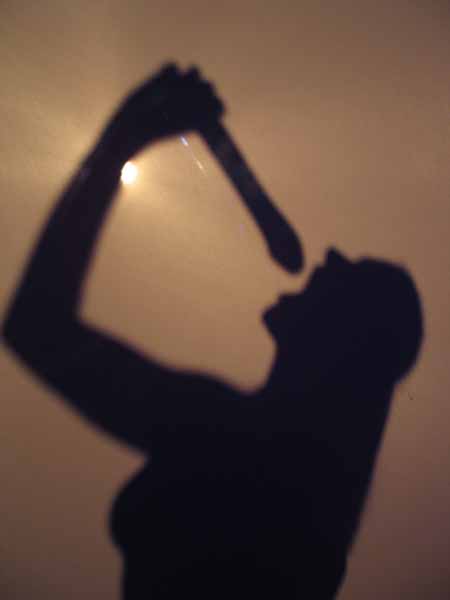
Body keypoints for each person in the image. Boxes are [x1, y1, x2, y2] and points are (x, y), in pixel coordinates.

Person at [2, 64, 423, 598]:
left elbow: (38, 327)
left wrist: (122, 137)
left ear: (348, 345)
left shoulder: (230, 439)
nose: (334, 255)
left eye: (355, 276)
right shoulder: (299, 494)